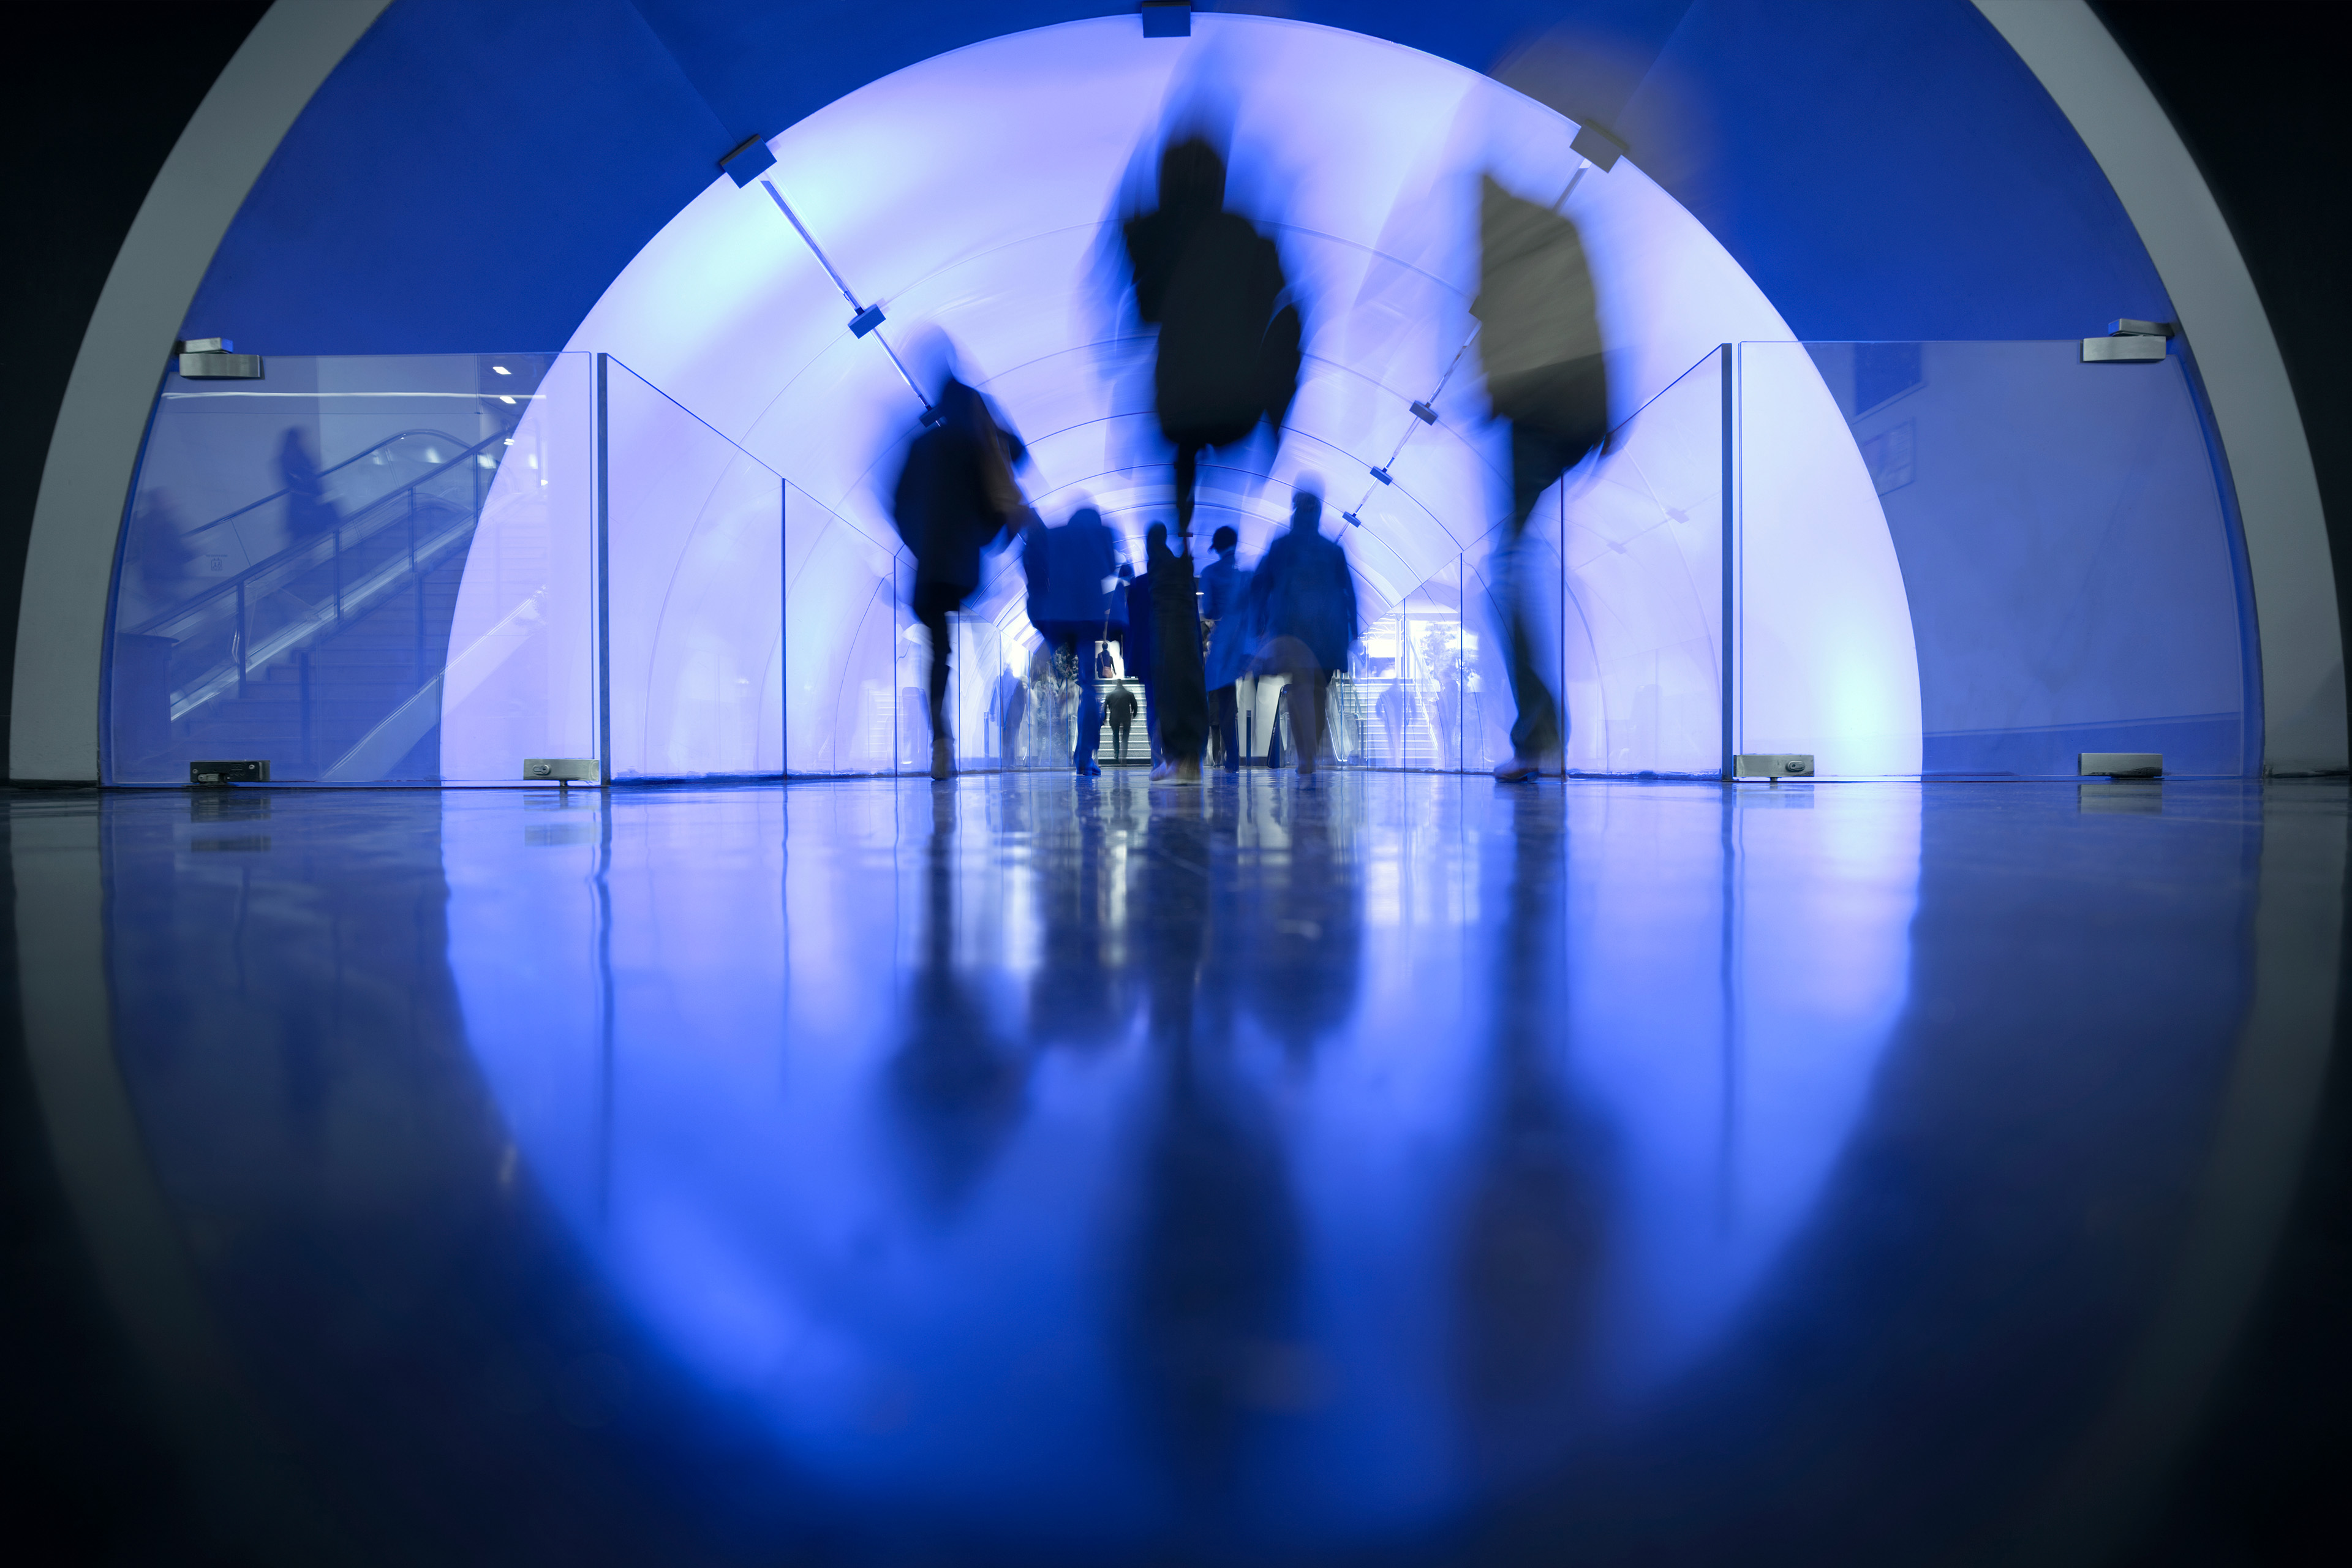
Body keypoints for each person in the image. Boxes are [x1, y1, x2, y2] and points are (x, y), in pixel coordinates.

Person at [1474, 174, 1609, 782]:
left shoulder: (1501, 246)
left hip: (1534, 414)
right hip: (1574, 412)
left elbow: (1505, 340)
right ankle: (1541, 733)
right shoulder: (1559, 231)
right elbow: (1594, 317)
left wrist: (1493, 390)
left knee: (1506, 571)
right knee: (1512, 566)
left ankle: (1541, 732)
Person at [1123, 136, 1302, 540]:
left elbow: (1144, 314)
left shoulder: (1160, 239)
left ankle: (1182, 536)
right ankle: (1220, 536)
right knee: (1214, 447)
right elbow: (1281, 308)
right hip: (1237, 400)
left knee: (1184, 445)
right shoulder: (1253, 240)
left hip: (1178, 399)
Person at [891, 350, 1027, 779]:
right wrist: (982, 538)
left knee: (938, 653)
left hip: (929, 564)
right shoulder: (976, 446)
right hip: (962, 565)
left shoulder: (920, 443)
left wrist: (919, 542)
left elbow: (897, 503)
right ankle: (947, 739)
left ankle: (941, 741)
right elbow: (1009, 471)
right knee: (954, 644)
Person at [1246, 489, 1357, 781]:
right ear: (1318, 513)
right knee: (1318, 691)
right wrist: (1352, 632)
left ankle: (1305, 754)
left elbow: (1260, 585)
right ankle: (1311, 753)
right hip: (1327, 635)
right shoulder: (1333, 550)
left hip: (1292, 630)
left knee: (1298, 688)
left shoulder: (1281, 546)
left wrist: (1257, 626)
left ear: (1295, 510)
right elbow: (1349, 594)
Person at [1024, 504, 1127, 777]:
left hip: (1056, 618)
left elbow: (1032, 559)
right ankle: (1085, 755)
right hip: (1088, 617)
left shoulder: (1054, 536)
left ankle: (1059, 672)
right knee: (1089, 689)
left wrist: (1038, 600)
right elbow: (1110, 567)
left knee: (1060, 672)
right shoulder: (1104, 534)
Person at [1146, 521, 1207, 783]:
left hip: (1168, 639)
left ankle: (1174, 761)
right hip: (1185, 641)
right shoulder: (1176, 565)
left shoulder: (1158, 565)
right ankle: (1186, 761)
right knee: (1184, 696)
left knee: (1168, 698)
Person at [1200, 524, 1252, 774]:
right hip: (1241, 643)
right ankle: (1234, 758)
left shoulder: (1210, 573)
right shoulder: (1243, 576)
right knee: (1231, 705)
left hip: (1222, 645)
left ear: (1216, 547)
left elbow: (1209, 610)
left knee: (1221, 703)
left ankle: (1226, 759)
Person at [1122, 556, 1158, 767]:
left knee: (1152, 707)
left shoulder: (1137, 584)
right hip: (1169, 654)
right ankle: (1171, 755)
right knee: (1168, 706)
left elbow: (1130, 624)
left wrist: (1130, 658)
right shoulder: (1171, 581)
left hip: (1146, 656)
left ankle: (1156, 758)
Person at [1106, 682, 1140, 764]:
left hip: (1114, 718)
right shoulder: (1129, 694)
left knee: (1115, 735)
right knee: (1125, 738)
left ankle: (1116, 755)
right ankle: (1123, 757)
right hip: (1126, 718)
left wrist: (1103, 718)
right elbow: (1135, 706)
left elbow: (1105, 707)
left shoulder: (1110, 695)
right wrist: (1133, 715)